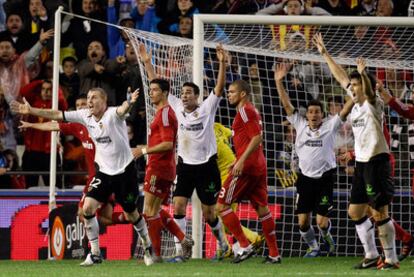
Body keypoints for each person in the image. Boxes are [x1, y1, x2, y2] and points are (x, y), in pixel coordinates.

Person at [11, 87, 152, 266]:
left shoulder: (112, 115)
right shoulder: (84, 116)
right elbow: (56, 115)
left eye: (94, 98)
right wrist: (31, 111)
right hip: (103, 172)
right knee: (87, 209)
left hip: (125, 172)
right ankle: (95, 253)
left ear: (104, 101)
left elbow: (123, 109)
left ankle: (147, 244)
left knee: (132, 214)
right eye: (88, 97)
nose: (90, 101)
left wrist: (130, 102)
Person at [313, 33, 399, 270]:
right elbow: (341, 77)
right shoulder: (355, 102)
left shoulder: (373, 104)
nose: (351, 88)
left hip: (377, 162)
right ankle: (371, 255)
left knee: (379, 211)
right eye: (352, 85)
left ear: (364, 85)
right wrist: (325, 53)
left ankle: (391, 259)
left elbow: (370, 91)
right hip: (361, 164)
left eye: (356, 84)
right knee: (354, 211)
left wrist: (363, 73)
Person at [139, 44, 229, 259]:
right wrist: (148, 63)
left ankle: (223, 243)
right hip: (185, 165)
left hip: (207, 165)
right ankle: (181, 252)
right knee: (178, 206)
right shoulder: (177, 107)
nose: (185, 95)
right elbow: (158, 88)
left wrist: (223, 64)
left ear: (198, 96)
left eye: (189, 92)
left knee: (209, 213)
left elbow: (219, 87)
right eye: (183, 93)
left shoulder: (207, 108)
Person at [275, 62, 354, 257]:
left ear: (322, 114)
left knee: (321, 222)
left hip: (325, 178)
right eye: (310, 112)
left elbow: (344, 110)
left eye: (317, 112)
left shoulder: (330, 125)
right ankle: (314, 246)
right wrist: (278, 81)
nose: (313, 115)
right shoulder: (300, 124)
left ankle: (327, 238)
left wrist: (354, 94)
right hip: (304, 179)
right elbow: (286, 105)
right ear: (307, 114)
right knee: (302, 222)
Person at [216, 79, 281, 264]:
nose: (228, 95)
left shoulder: (244, 111)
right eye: (228, 92)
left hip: (248, 167)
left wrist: (241, 161)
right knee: (262, 209)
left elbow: (257, 137)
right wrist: (237, 160)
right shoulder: (249, 111)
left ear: (242, 94)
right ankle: (274, 254)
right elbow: (249, 140)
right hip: (258, 166)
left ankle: (244, 245)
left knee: (221, 206)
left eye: (232, 92)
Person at [132, 78, 194, 262]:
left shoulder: (166, 114)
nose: (151, 93)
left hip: (159, 168)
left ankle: (156, 256)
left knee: (149, 211)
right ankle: (183, 239)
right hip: (162, 167)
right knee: (156, 210)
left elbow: (167, 144)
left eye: (155, 90)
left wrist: (143, 150)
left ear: (165, 92)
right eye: (150, 90)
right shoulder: (162, 112)